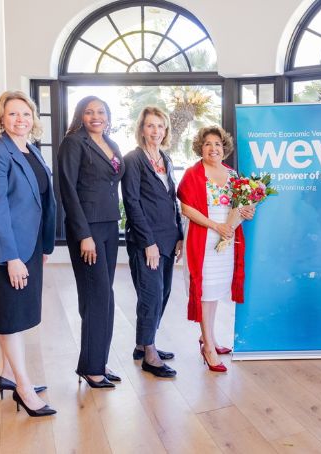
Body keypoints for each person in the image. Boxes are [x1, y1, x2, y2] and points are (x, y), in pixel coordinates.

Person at [0, 91, 57, 416]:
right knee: (9, 319)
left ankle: (8, 374)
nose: (20, 119)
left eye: (25, 113)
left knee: (16, 316)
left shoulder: (31, 150)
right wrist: (12, 258)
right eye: (13, 114)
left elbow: (42, 200)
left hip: (30, 245)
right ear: (1, 118)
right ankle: (23, 388)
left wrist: (43, 246)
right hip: (5, 250)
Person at [58, 96, 125, 389]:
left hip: (110, 224)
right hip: (88, 228)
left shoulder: (111, 143)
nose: (95, 116)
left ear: (108, 116)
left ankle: (97, 360)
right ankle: (91, 368)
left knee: (103, 295)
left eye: (101, 111)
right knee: (97, 295)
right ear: (80, 116)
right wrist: (84, 234)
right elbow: (68, 190)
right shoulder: (74, 143)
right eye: (89, 112)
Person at [177, 126, 254, 373]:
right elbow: (187, 209)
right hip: (204, 238)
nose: (213, 148)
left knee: (215, 291)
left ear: (224, 148)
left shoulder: (232, 175)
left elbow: (238, 207)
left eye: (218, 144)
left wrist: (246, 212)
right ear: (200, 148)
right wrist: (215, 226)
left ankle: (208, 337)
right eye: (208, 144)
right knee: (205, 292)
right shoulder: (192, 174)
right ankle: (208, 347)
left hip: (226, 240)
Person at [121, 107, 183, 378]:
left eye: (160, 126)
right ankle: (150, 354)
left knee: (164, 292)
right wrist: (148, 242)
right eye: (150, 125)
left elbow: (172, 199)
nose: (156, 131)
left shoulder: (166, 158)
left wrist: (180, 234)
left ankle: (143, 343)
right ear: (142, 129)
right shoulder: (133, 159)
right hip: (146, 241)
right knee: (151, 295)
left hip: (169, 237)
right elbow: (132, 202)